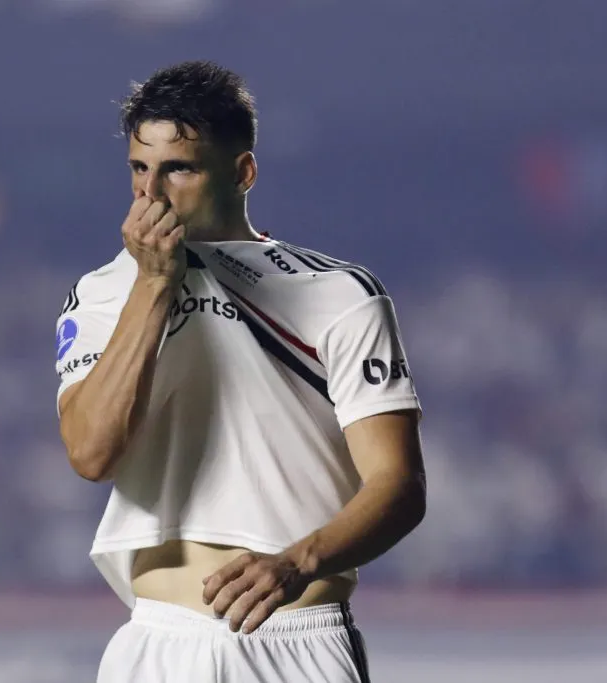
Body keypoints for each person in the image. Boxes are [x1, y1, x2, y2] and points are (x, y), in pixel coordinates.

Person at [54, 60, 427, 683]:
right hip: (158, 641)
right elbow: (92, 454)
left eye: (179, 168)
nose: (151, 193)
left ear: (243, 172)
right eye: (139, 169)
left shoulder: (338, 292)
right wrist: (152, 283)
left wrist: (297, 562)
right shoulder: (100, 293)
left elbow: (400, 486)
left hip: (296, 634)